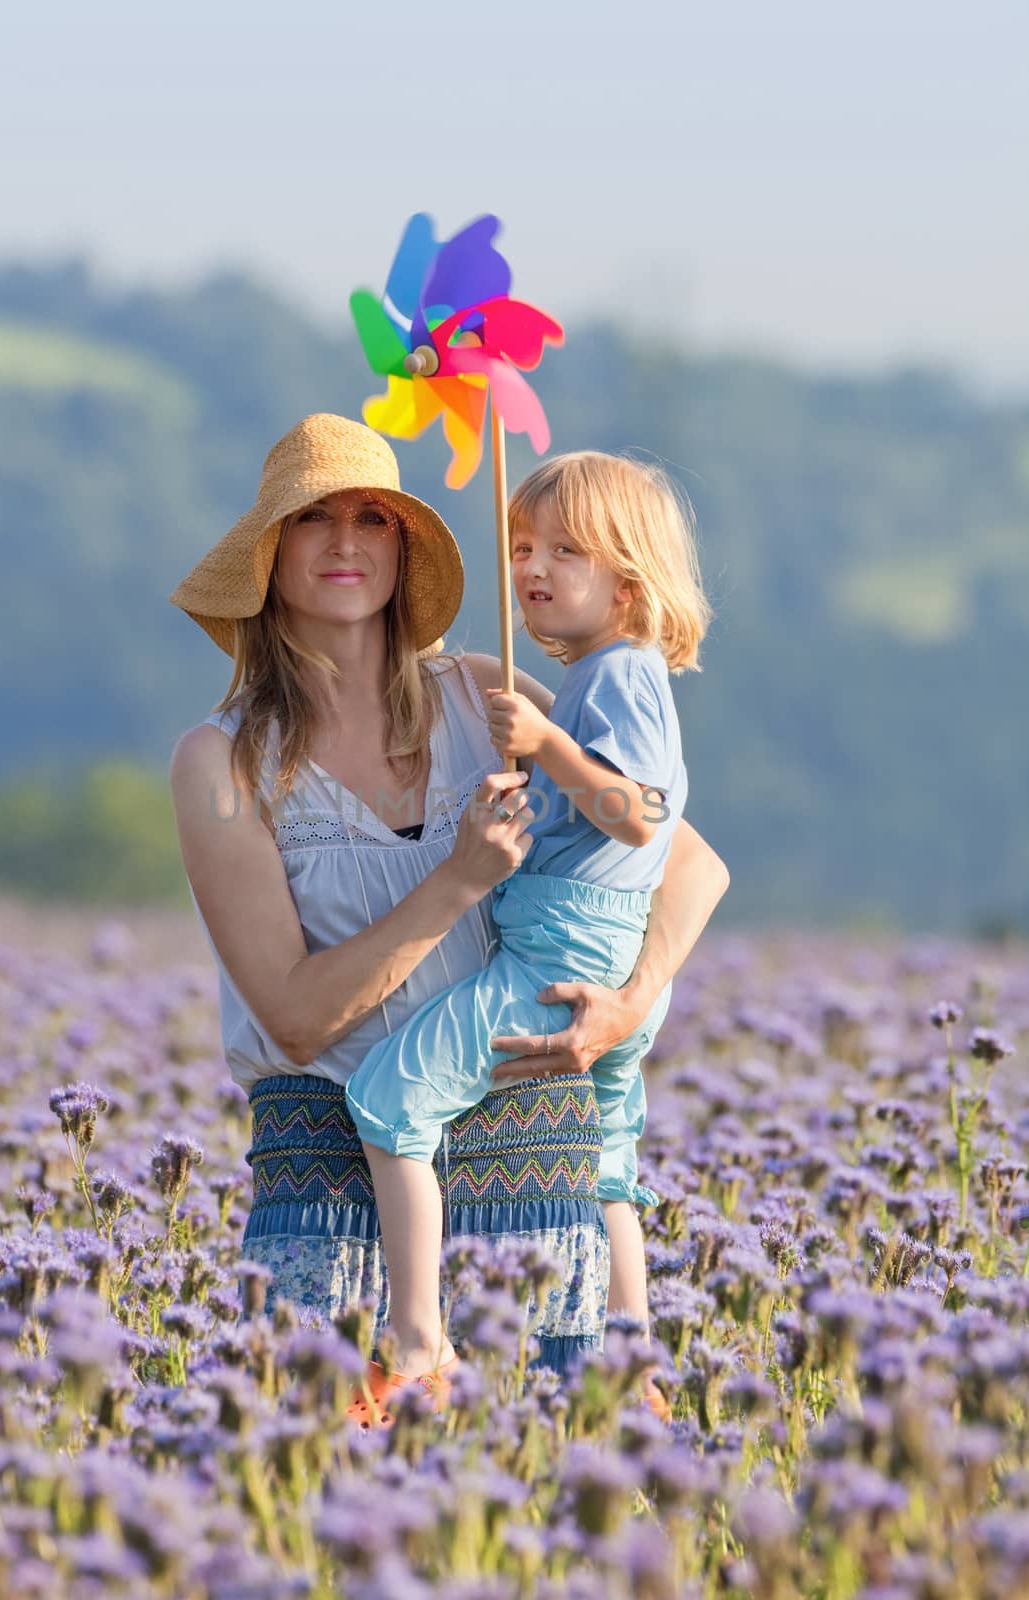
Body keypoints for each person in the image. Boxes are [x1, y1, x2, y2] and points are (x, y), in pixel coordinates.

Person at [167, 414, 729, 1407]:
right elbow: (294, 1017)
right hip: (326, 1218)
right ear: (270, 554)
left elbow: (685, 859)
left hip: (534, 1209)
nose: (345, 541)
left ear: (403, 546)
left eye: (373, 518)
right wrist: (456, 883)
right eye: (312, 520)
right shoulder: (221, 762)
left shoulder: (480, 696)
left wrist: (629, 1001)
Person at [344, 449, 711, 1414]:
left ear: (628, 583)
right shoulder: (601, 676)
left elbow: (640, 815)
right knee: (609, 1160)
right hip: (608, 945)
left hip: (565, 951)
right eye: (518, 548)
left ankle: (418, 1343)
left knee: (390, 1100)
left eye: (563, 550)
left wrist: (548, 746)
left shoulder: (621, 678)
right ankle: (634, 1363)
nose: (532, 568)